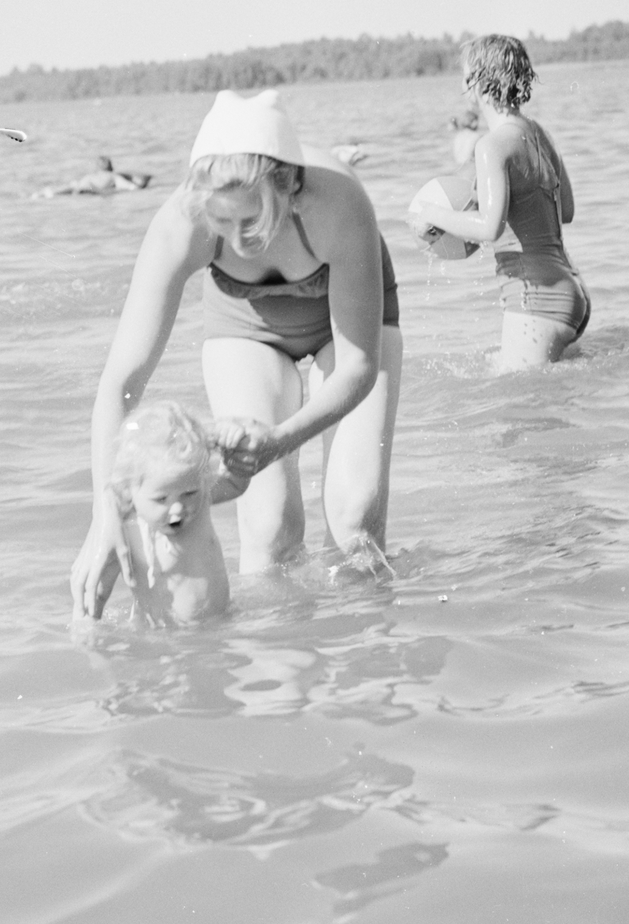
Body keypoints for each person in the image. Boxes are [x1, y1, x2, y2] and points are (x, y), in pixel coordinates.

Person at [70, 88, 403, 620]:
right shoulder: (182, 222)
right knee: (270, 522)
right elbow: (120, 385)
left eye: (250, 221)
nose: (235, 237)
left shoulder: (339, 204)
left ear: (289, 186)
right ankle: (278, 678)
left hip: (349, 333)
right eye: (221, 224)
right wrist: (105, 517)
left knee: (354, 521)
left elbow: (359, 366)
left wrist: (281, 440)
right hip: (247, 326)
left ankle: (362, 672)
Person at [410, 35, 591, 370]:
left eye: (466, 79)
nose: (463, 89)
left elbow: (490, 227)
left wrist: (434, 214)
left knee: (522, 415)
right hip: (572, 291)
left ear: (479, 83)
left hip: (536, 298)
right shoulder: (539, 133)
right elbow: (566, 211)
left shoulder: (491, 146)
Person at [105, 400, 250, 625]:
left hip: (221, 625)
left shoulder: (201, 501)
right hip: (163, 638)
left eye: (189, 493)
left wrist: (235, 444)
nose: (178, 508)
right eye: (161, 499)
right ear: (128, 490)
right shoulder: (128, 528)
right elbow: (98, 583)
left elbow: (235, 484)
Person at [35, 156, 152, 198]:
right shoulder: (113, 176)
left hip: (81, 186)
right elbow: (131, 187)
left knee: (70, 189)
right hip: (93, 190)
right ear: (111, 166)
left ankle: (44, 193)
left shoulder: (91, 175)